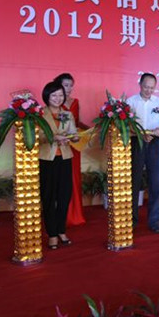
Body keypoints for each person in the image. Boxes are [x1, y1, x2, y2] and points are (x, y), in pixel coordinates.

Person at [127, 73, 159, 233]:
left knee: (156, 182)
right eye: (146, 87)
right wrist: (139, 133)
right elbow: (125, 123)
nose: (149, 90)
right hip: (137, 142)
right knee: (134, 181)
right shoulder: (130, 102)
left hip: (154, 143)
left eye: (152, 88)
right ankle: (131, 219)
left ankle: (154, 221)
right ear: (140, 85)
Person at [39, 81, 79, 249]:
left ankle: (61, 230)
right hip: (47, 159)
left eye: (61, 95)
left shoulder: (67, 114)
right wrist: (53, 137)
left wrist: (74, 137)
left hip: (65, 157)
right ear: (47, 96)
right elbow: (36, 137)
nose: (58, 98)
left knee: (64, 196)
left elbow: (72, 133)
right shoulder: (39, 114)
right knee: (49, 197)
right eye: (54, 95)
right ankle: (52, 234)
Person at [53, 73, 87, 226]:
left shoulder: (75, 102)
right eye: (65, 85)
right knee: (61, 179)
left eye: (71, 85)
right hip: (59, 145)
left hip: (74, 144)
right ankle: (61, 214)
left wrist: (91, 129)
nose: (69, 88)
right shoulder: (53, 103)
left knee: (74, 177)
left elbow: (77, 122)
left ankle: (76, 214)